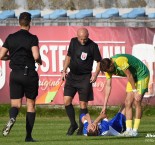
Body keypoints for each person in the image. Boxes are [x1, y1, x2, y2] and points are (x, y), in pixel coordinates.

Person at [0, 12, 42, 142]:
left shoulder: (11, 37)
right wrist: (39, 61)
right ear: (30, 22)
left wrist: (11, 57)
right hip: (28, 73)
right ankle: (28, 137)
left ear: (19, 22)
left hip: (15, 74)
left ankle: (12, 117)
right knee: (30, 105)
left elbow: (1, 55)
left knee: (16, 104)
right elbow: (35, 56)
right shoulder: (32, 38)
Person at [61, 27, 101, 135]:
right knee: (66, 101)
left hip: (84, 78)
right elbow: (68, 57)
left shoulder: (93, 46)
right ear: (77, 36)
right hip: (72, 76)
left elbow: (99, 62)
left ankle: (81, 129)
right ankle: (73, 124)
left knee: (83, 105)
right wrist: (64, 70)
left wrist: (95, 75)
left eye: (85, 39)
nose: (83, 41)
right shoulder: (73, 42)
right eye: (81, 39)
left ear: (88, 36)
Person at [100, 54, 150, 137]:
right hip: (133, 77)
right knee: (127, 102)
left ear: (111, 64)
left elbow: (129, 75)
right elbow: (108, 86)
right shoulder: (107, 69)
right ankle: (128, 130)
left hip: (142, 74)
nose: (109, 72)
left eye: (109, 70)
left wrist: (135, 91)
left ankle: (135, 130)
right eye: (106, 71)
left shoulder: (120, 60)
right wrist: (104, 105)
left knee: (137, 101)